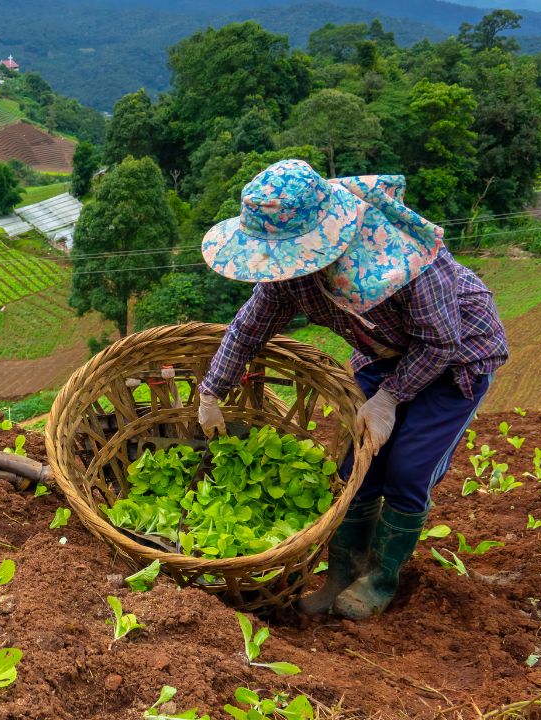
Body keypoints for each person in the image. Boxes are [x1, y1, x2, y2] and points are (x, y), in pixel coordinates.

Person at [194, 159, 507, 619]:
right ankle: (342, 573)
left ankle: (380, 580)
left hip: (456, 358)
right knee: (355, 467)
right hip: (384, 355)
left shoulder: (406, 257)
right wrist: (211, 391)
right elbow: (248, 329)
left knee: (406, 469)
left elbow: (441, 342)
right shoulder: (290, 277)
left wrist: (389, 399)